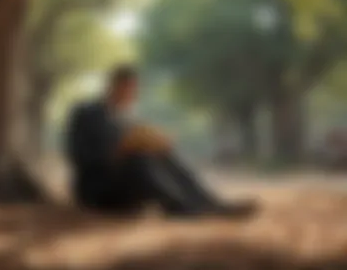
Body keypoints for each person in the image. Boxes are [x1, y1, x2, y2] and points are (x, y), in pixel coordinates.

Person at [66, 65, 258, 218]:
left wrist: (153, 142)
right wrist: (119, 150)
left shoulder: (126, 119)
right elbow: (81, 157)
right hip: (98, 191)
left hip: (125, 189)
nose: (130, 95)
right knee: (140, 157)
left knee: (161, 152)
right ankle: (180, 207)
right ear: (113, 86)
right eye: (126, 88)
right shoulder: (88, 112)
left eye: (133, 90)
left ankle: (210, 204)